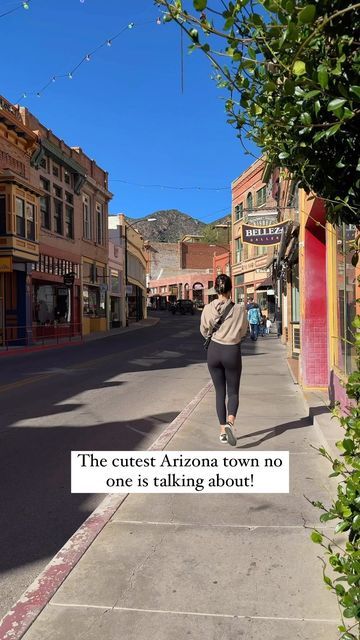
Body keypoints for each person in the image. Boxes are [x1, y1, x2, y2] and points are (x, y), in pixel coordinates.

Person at [200, 274, 248, 446]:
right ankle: (230, 422)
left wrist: (213, 335)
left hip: (213, 351)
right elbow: (243, 332)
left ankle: (222, 432)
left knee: (219, 393)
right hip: (231, 351)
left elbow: (204, 330)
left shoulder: (207, 308)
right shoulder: (239, 309)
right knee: (233, 392)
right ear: (230, 289)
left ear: (216, 290)